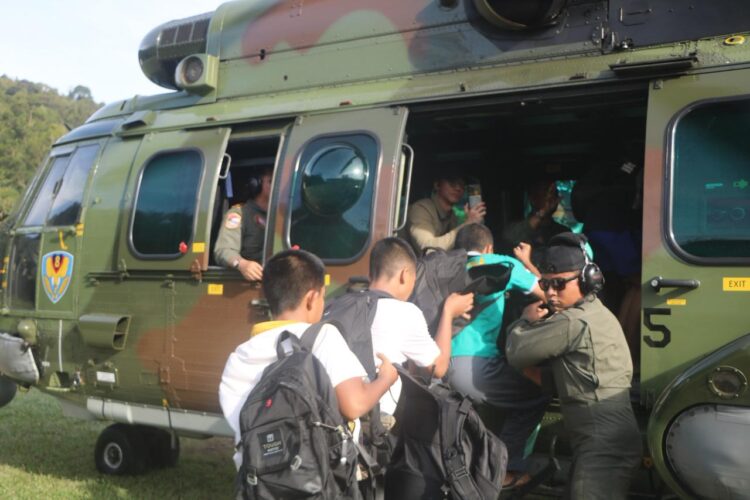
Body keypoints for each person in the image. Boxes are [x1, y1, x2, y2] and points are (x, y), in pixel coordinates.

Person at [219, 249, 398, 469]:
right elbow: (355, 404)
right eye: (323, 296)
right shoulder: (322, 337)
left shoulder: (239, 357)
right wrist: (386, 378)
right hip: (318, 477)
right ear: (312, 299)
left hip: (257, 478)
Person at [506, 232, 642, 499]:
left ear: (586, 279)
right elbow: (569, 378)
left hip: (602, 444)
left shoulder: (573, 322)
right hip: (602, 439)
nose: (550, 293)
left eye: (559, 284)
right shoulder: (595, 312)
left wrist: (524, 320)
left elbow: (515, 351)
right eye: (545, 284)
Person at [447, 223, 547, 488]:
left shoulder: (445, 265)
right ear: (489, 248)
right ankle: (507, 471)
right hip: (475, 367)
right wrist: (527, 262)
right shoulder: (501, 264)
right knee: (537, 393)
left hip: (438, 361)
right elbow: (549, 293)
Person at [368, 237, 474, 416]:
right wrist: (448, 312)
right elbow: (438, 368)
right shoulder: (405, 312)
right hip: (378, 416)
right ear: (404, 275)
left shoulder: (345, 302)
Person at [404, 169, 486, 253]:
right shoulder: (421, 209)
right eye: (452, 182)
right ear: (437, 185)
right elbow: (428, 250)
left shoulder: (452, 216)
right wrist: (468, 223)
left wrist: (471, 224)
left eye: (462, 185)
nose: (458, 188)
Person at [213, 166, 272, 281]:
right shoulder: (240, 213)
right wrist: (242, 264)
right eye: (271, 181)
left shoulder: (280, 215)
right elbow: (223, 250)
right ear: (257, 185)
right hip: (252, 282)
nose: (278, 186)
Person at [502, 178, 569, 268]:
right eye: (546, 194)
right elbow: (509, 239)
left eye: (554, 194)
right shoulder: (515, 229)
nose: (551, 199)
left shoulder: (564, 233)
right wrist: (541, 213)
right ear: (533, 198)